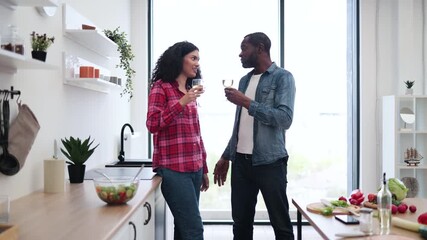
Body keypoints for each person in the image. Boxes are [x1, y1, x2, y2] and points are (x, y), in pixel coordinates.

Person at [213, 32, 296, 240]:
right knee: (240, 225)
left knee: (281, 225)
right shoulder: (244, 80)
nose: (240, 54)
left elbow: (285, 119)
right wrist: (226, 156)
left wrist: (247, 103)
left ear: (260, 48)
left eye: (244, 48)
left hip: (270, 163)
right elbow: (241, 125)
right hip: (241, 163)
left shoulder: (283, 77)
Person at [146, 41, 209, 240]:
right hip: (174, 170)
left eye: (198, 59)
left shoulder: (190, 89)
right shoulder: (161, 87)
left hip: (194, 168)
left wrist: (204, 167)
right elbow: (152, 124)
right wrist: (182, 102)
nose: (197, 63)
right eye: (193, 58)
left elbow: (195, 133)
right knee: (194, 230)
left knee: (183, 230)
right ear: (179, 59)